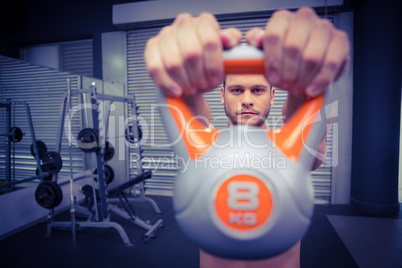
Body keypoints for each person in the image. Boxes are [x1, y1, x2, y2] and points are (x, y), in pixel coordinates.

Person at [144, 6, 350, 268]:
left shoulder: (292, 153)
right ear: (222, 95)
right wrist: (183, 56)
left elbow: (304, 112)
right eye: (237, 90)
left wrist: (307, 75)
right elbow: (188, 101)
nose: (247, 100)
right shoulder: (202, 150)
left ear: (273, 96)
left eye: (258, 90)